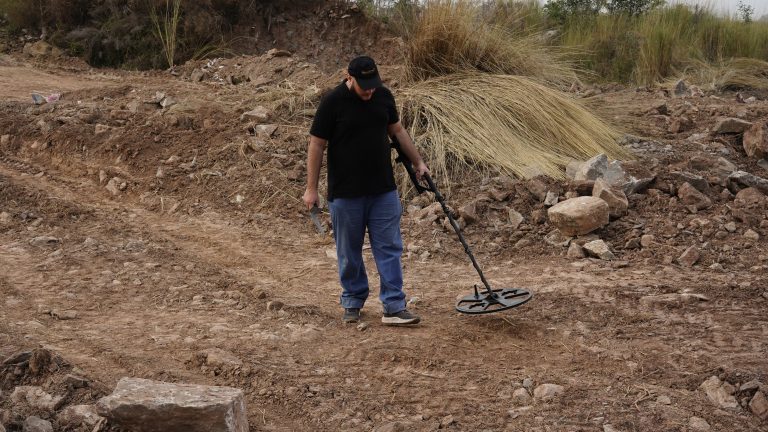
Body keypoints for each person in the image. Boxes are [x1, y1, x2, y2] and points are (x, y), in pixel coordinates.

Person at [303, 55, 430, 326]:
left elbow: (397, 130)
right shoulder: (332, 102)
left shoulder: (383, 96)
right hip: (346, 194)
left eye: (373, 84)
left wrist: (418, 161)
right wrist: (311, 189)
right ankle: (352, 299)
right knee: (349, 251)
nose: (370, 90)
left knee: (390, 247)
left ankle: (394, 306)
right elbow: (316, 145)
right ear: (349, 78)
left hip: (382, 189)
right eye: (364, 85)